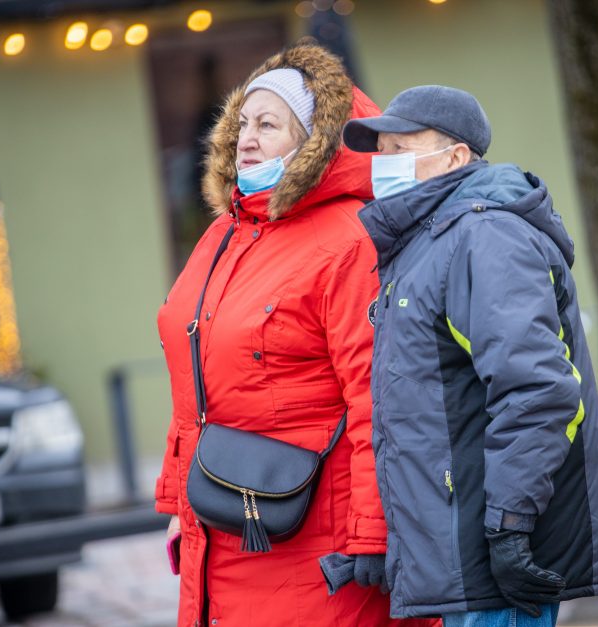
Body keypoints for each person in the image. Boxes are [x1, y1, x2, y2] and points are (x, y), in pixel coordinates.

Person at [154, 43, 438, 627]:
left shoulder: (347, 241)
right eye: (241, 125)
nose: (246, 138)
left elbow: (379, 399)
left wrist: (372, 532)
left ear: (314, 142)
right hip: (222, 525)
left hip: (314, 539)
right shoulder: (223, 236)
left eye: (268, 124)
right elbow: (194, 388)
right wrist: (177, 502)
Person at [343, 85, 598, 625]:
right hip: (460, 552)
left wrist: (508, 525)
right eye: (380, 151)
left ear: (455, 156)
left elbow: (538, 389)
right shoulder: (428, 241)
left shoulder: (484, 234)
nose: (383, 165)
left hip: (489, 555)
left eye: (400, 149)